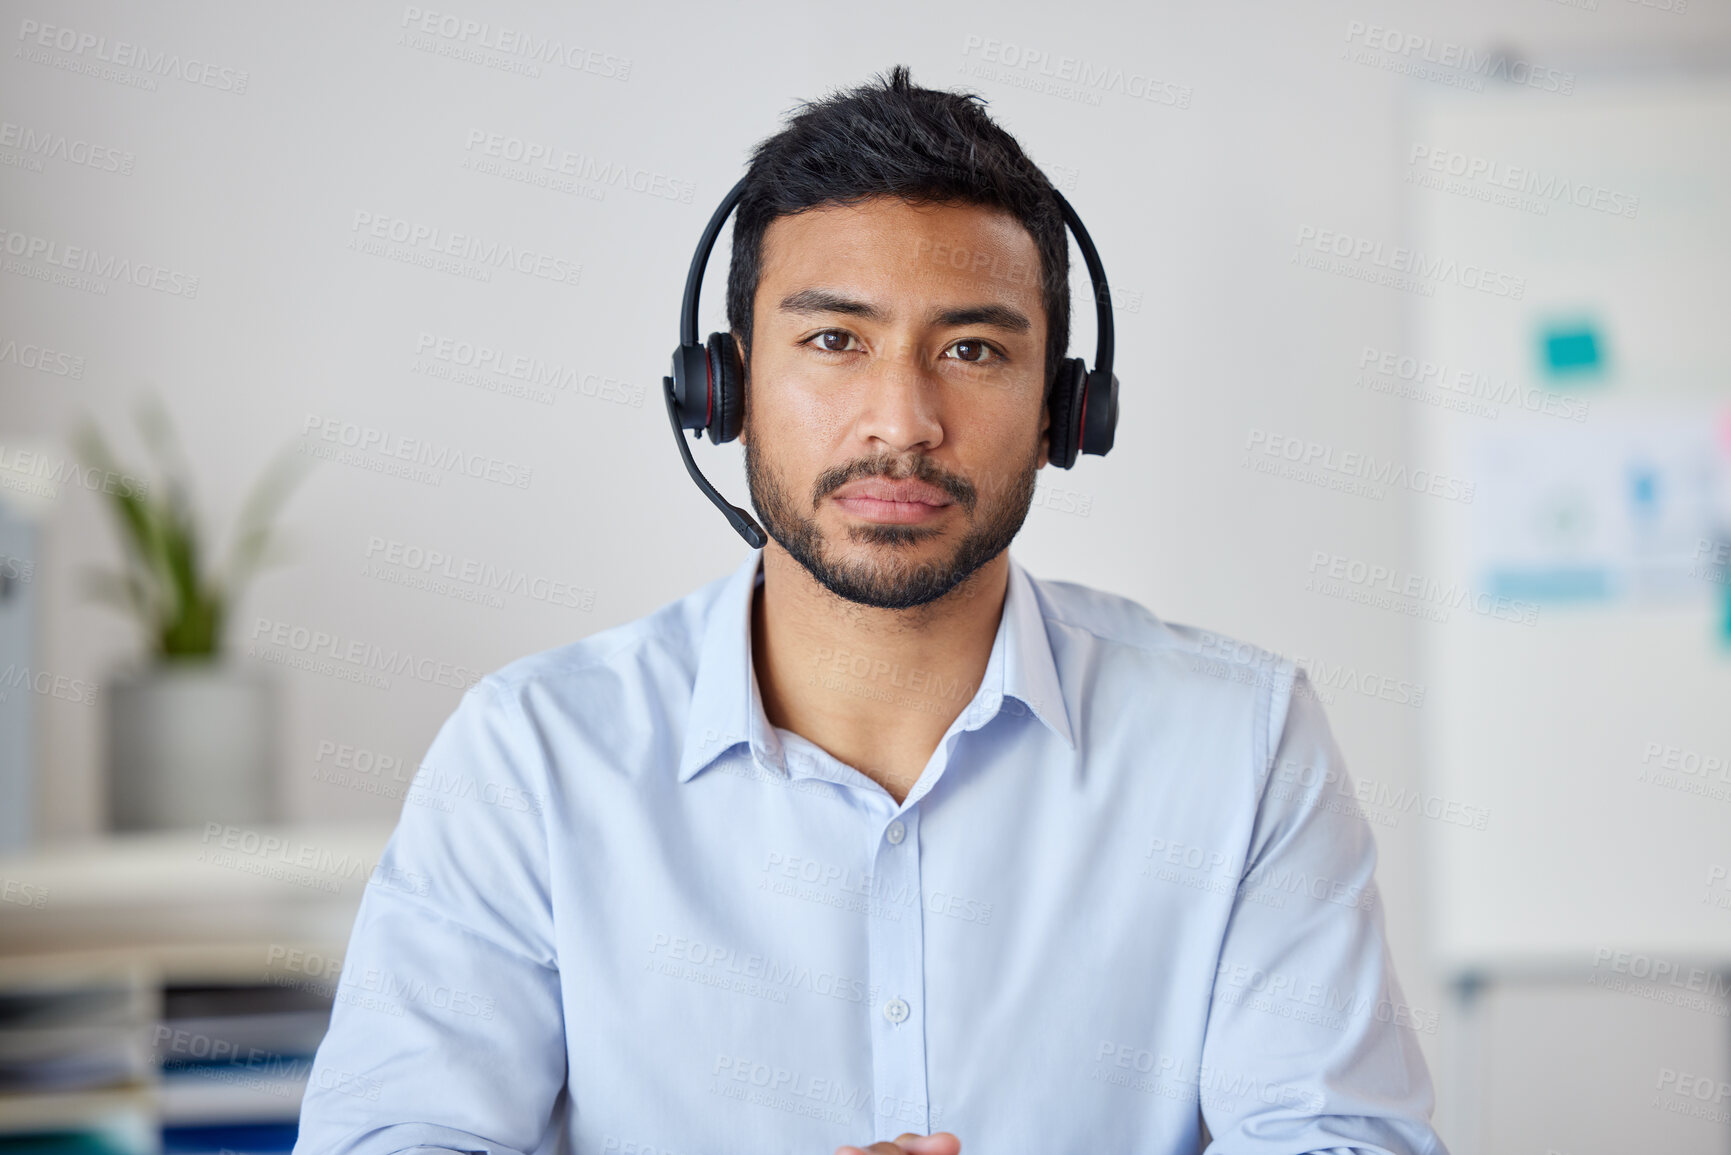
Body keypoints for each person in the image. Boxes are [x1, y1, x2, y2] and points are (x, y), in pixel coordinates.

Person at [293, 65, 1446, 1155]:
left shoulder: (1237, 743)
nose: (901, 421)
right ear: (726, 385)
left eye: (974, 348)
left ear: (1063, 408)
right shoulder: (534, 757)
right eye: (835, 340)